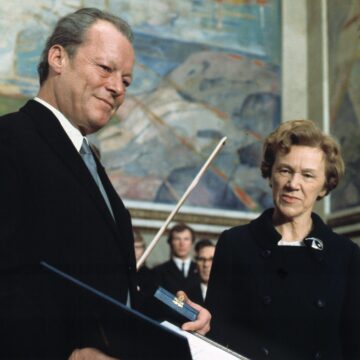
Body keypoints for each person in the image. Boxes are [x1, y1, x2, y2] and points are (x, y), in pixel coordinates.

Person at [0, 8, 209, 359]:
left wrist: (180, 311)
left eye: (126, 81)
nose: (116, 88)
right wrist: (64, 355)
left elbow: (111, 288)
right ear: (58, 58)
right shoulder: (10, 140)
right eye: (105, 69)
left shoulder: (89, 162)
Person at [206, 119, 360, 360]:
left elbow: (354, 347)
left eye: (308, 175)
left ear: (324, 187)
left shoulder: (346, 255)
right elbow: (215, 339)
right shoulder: (235, 244)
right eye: (285, 170)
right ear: (270, 175)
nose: (293, 184)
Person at [151, 223, 202, 322]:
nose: (182, 243)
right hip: (169, 324)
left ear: (192, 242)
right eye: (177, 239)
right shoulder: (158, 271)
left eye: (186, 239)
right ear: (170, 242)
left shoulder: (202, 270)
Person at [193, 239, 215, 304]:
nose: (206, 264)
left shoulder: (231, 293)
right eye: (201, 259)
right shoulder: (186, 294)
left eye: (212, 259)